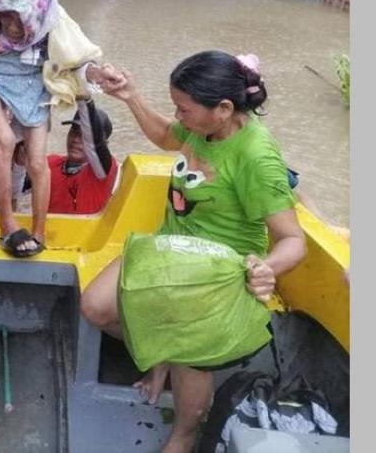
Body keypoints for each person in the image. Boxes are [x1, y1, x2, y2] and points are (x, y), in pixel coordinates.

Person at [79, 51, 307, 453]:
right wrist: (131, 96)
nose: (178, 116)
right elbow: (166, 136)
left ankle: (183, 436)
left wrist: (265, 268)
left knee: (190, 354)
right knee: (95, 307)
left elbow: (293, 240)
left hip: (219, 270)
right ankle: (161, 355)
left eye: (183, 108)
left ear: (223, 109)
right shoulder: (201, 128)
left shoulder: (256, 157)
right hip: (169, 247)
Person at [0, 0, 112, 257]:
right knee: (5, 139)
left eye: (19, 19)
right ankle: (7, 224)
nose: (11, 26)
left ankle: (39, 230)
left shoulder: (55, 20)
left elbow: (79, 59)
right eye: (7, 16)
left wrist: (98, 74)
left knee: (37, 162)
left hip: (33, 80)